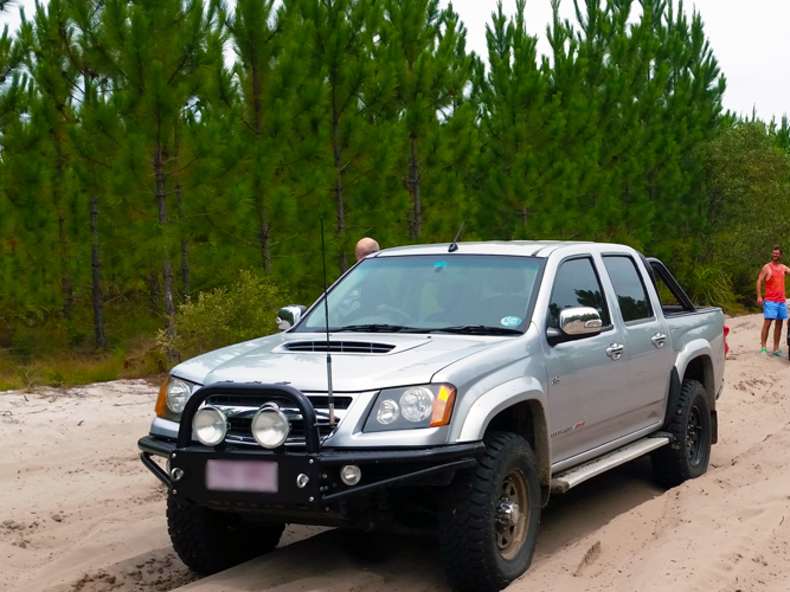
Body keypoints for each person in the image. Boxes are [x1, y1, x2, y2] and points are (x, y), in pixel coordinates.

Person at [756, 245, 790, 355]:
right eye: (773, 253)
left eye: (777, 253)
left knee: (779, 324)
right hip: (770, 300)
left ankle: (776, 349)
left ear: (780, 255)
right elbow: (759, 281)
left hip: (781, 301)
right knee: (768, 323)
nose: (775, 255)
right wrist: (759, 296)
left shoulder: (783, 267)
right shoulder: (767, 267)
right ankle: (763, 348)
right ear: (772, 254)